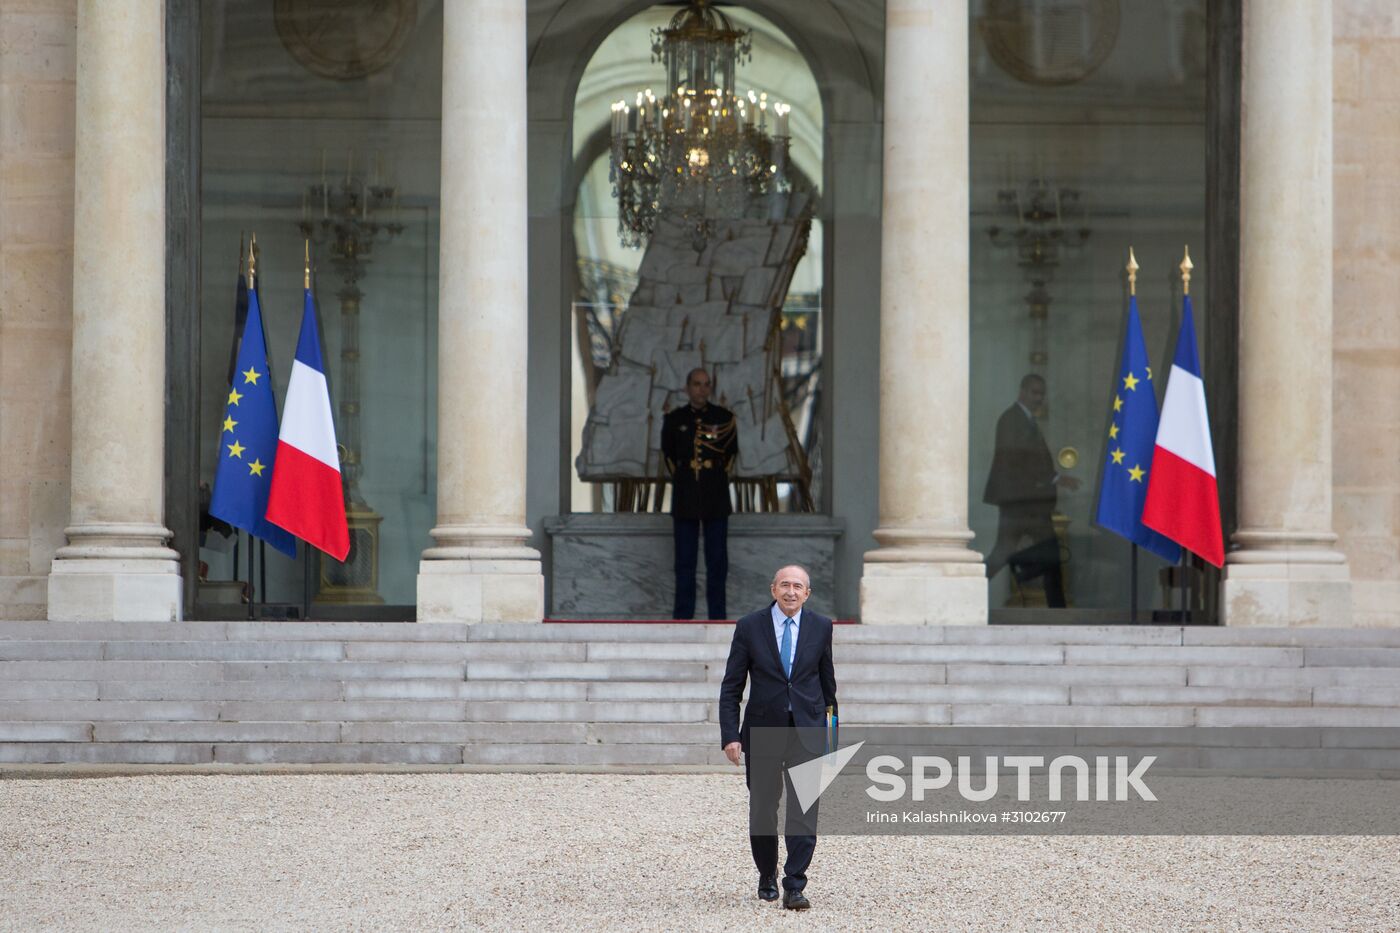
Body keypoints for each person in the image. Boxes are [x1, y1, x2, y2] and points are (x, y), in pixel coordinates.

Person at [719, 564, 838, 911]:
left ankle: (795, 884)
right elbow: (732, 687)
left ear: (807, 593)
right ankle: (766, 873)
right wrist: (730, 734)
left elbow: (829, 688)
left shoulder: (820, 626)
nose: (791, 591)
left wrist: (831, 738)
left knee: (804, 809)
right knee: (763, 809)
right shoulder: (749, 627)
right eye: (784, 585)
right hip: (763, 730)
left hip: (809, 730)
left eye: (798, 586)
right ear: (773, 589)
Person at [983, 373, 1081, 608]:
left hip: (1030, 503)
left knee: (1045, 556)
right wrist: (1051, 479)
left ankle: (1058, 609)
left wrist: (1055, 478)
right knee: (1007, 552)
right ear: (1022, 391)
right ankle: (967, 590)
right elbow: (1017, 461)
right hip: (1022, 503)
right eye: (1035, 393)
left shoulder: (1023, 420)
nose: (1039, 398)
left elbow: (1031, 461)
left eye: (1041, 394)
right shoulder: (1011, 420)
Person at [661, 367, 738, 619]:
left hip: (715, 495)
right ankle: (683, 616)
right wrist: (686, 477)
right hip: (685, 495)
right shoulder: (674, 419)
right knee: (685, 561)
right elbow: (669, 457)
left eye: (706, 384)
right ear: (687, 387)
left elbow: (730, 455)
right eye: (696, 384)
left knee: (717, 562)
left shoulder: (724, 418)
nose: (701, 389)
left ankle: (717, 616)